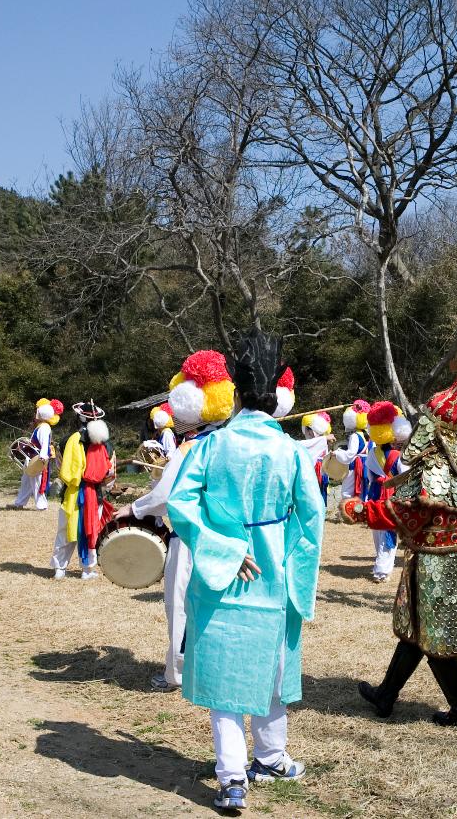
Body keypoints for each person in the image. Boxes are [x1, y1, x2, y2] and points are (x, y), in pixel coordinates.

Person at [166, 333, 324, 812]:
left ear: (234, 396)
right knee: (271, 671)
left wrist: (222, 548)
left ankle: (234, 775)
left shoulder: (210, 447)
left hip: (224, 576)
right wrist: (294, 569)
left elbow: (180, 503)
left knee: (226, 675)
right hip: (273, 574)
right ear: (276, 400)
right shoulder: (292, 451)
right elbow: (312, 519)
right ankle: (271, 757)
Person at [343, 367, 457, 730]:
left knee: (434, 636)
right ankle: (387, 694)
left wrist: (359, 510)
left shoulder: (434, 466)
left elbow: (406, 513)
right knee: (419, 630)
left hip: (436, 564)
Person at [120, 350, 237, 691]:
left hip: (188, 538)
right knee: (212, 606)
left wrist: (134, 509)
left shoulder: (190, 448)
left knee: (180, 605)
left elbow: (164, 497)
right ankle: (207, 668)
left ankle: (177, 673)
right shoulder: (223, 440)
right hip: (222, 536)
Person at [52, 402, 116, 580]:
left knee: (65, 530)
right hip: (95, 494)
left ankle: (59, 568)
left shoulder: (66, 441)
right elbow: (110, 474)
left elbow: (60, 467)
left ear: (79, 417)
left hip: (71, 493)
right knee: (92, 529)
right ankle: (87, 570)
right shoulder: (106, 444)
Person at [363, 402, 407, 583]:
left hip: (374, 494)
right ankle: (381, 570)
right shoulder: (397, 456)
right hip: (392, 495)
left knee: (378, 530)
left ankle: (380, 563)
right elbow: (405, 475)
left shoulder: (371, 453)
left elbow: (369, 477)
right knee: (389, 533)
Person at [9, 398, 62, 510]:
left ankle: (41, 505)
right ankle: (19, 503)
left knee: (37, 483)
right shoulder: (41, 426)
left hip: (37, 459)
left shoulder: (44, 427)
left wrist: (42, 458)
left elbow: (44, 444)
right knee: (26, 481)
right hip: (32, 458)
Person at [332, 400, 372, 502]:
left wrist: (337, 453)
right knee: (365, 488)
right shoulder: (369, 436)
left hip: (356, 465)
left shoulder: (355, 436)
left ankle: (348, 511)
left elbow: (350, 454)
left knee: (347, 490)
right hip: (368, 464)